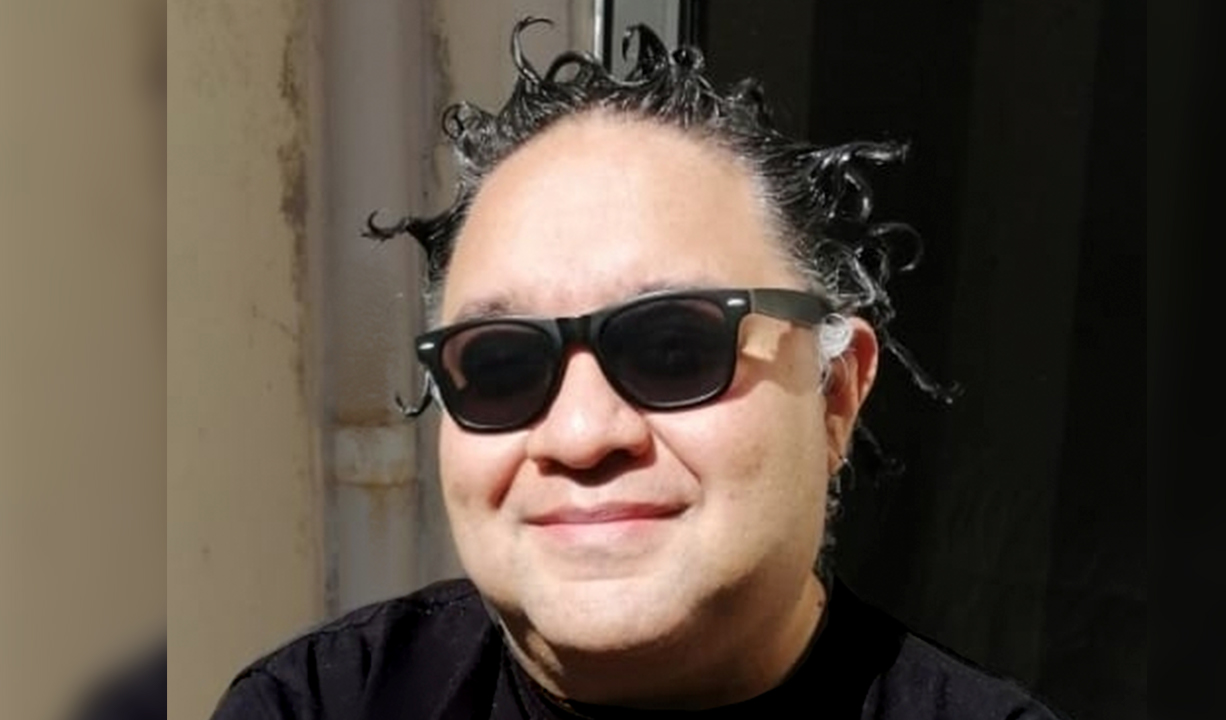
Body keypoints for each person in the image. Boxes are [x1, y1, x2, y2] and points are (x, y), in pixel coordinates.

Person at [211, 18, 1064, 719]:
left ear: (835, 396)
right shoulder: (318, 705)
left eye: (674, 348)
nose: (582, 434)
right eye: (501, 364)